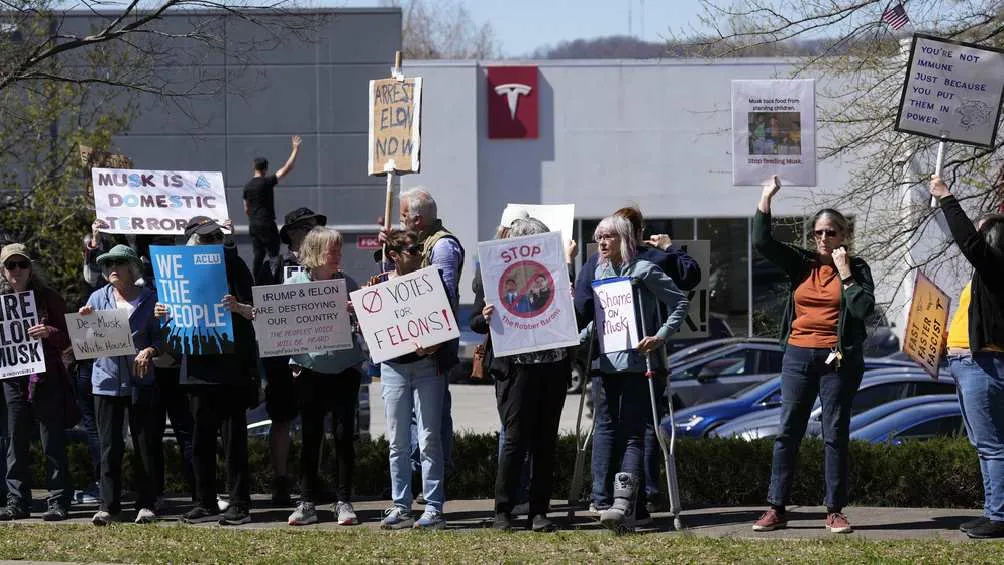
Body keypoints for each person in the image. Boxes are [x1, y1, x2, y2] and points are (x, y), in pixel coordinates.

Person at [751, 175, 874, 534]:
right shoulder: (801, 263)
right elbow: (762, 241)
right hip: (798, 355)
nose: (822, 238)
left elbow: (865, 309)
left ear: (843, 237)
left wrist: (846, 274)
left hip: (838, 361)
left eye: (830, 233)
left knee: (835, 432)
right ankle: (776, 507)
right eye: (817, 233)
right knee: (788, 431)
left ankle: (834, 510)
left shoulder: (858, 268)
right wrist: (766, 195)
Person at [575, 206, 701, 517]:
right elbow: (603, 319)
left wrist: (660, 335)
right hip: (606, 365)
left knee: (633, 432)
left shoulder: (644, 270)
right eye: (599, 237)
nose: (602, 242)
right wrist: (575, 337)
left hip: (637, 364)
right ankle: (601, 497)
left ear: (625, 239)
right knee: (606, 427)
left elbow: (680, 302)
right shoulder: (600, 272)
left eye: (609, 237)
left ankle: (624, 501)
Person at [471, 217, 576, 532]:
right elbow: (475, 322)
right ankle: (502, 512)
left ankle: (539, 512)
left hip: (552, 367)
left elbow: (574, 319)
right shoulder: (492, 273)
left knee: (545, 443)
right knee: (515, 441)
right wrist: (486, 317)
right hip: (515, 370)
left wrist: (568, 298)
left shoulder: (555, 273)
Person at [155, 217, 257, 525]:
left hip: (231, 367)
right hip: (196, 366)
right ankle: (205, 501)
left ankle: (239, 503)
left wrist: (237, 307)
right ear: (191, 242)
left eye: (215, 235)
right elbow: (173, 319)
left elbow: (256, 310)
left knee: (233, 439)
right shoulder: (178, 271)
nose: (212, 240)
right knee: (200, 440)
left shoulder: (234, 265)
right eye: (205, 237)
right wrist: (163, 312)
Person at [931, 176, 1004, 539]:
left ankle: (999, 516)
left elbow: (970, 242)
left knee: (992, 445)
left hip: (983, 365)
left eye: (981, 234)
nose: (974, 239)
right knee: (986, 444)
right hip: (969, 364)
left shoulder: (996, 268)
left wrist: (946, 198)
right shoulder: (985, 280)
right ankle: (994, 512)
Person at [285, 226, 365, 526]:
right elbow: (280, 326)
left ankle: (343, 501)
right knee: (310, 437)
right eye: (334, 251)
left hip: (345, 370)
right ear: (316, 253)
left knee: (344, 437)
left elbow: (367, 323)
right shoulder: (293, 285)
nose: (339, 256)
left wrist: (355, 312)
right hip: (309, 372)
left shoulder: (348, 284)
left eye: (339, 250)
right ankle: (307, 502)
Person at [80, 245, 164, 525]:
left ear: (132, 268)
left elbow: (163, 339)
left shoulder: (150, 300)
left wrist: (150, 350)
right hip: (105, 382)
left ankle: (146, 504)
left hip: (141, 380)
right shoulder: (97, 298)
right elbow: (87, 342)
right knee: (109, 446)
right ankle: (109, 507)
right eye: (108, 263)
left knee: (144, 444)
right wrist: (85, 321)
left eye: (119, 262)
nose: (112, 267)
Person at [378, 229, 448, 530]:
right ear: (394, 255)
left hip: (426, 367)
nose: (420, 254)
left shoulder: (431, 282)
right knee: (398, 441)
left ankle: (434, 507)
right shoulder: (378, 286)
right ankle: (401, 505)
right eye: (413, 250)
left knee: (429, 437)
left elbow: (447, 322)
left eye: (421, 249)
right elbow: (374, 329)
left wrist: (435, 344)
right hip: (393, 368)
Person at [394, 188, 465, 481]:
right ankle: (417, 476)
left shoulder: (443, 247)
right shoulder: (419, 244)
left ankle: (435, 475)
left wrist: (432, 338)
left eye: (403, 216)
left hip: (434, 345)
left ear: (418, 219)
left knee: (432, 415)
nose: (401, 221)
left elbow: (443, 296)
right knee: (414, 415)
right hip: (416, 342)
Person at [0, 243, 72, 521]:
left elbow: (70, 337)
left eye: (22, 264)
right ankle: (16, 501)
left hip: (45, 377)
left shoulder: (48, 297)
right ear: (4, 271)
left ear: (31, 268)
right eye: (11, 265)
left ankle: (58, 499)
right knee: (15, 441)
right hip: (12, 379)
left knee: (51, 440)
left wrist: (49, 331)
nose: (17, 270)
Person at [260, 207, 327, 505]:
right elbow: (260, 309)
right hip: (281, 356)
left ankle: (311, 480)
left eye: (316, 227)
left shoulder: (324, 265)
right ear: (292, 234)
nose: (314, 233)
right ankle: (281, 481)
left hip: (315, 355)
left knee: (315, 420)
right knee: (282, 419)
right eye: (308, 227)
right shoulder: (274, 265)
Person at [134, 234, 196, 504]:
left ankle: (200, 493)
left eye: (169, 242)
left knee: (187, 432)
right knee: (150, 434)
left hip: (178, 364)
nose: (166, 247)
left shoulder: (184, 275)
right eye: (159, 242)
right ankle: (154, 493)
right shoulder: (137, 282)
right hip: (148, 368)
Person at [243, 135, 303, 282]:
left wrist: (253, 218)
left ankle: (256, 283)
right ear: (266, 169)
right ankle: (273, 281)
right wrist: (295, 149)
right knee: (274, 255)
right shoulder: (266, 182)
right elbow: (285, 169)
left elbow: (246, 209)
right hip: (267, 223)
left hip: (254, 225)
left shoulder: (248, 186)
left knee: (258, 255)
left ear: (254, 167)